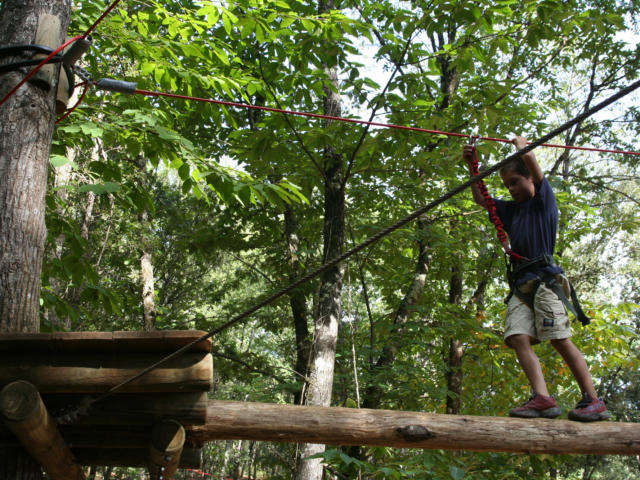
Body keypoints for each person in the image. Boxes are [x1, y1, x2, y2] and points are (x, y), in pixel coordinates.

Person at [462, 136, 610, 422]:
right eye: (507, 185)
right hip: (522, 286)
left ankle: (593, 399)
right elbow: (482, 198)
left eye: (516, 182)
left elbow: (536, 170)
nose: (512, 189)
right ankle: (542, 398)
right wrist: (472, 166)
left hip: (545, 282)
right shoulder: (512, 211)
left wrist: (524, 147)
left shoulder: (543, 201)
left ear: (530, 178)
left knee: (558, 339)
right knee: (517, 336)